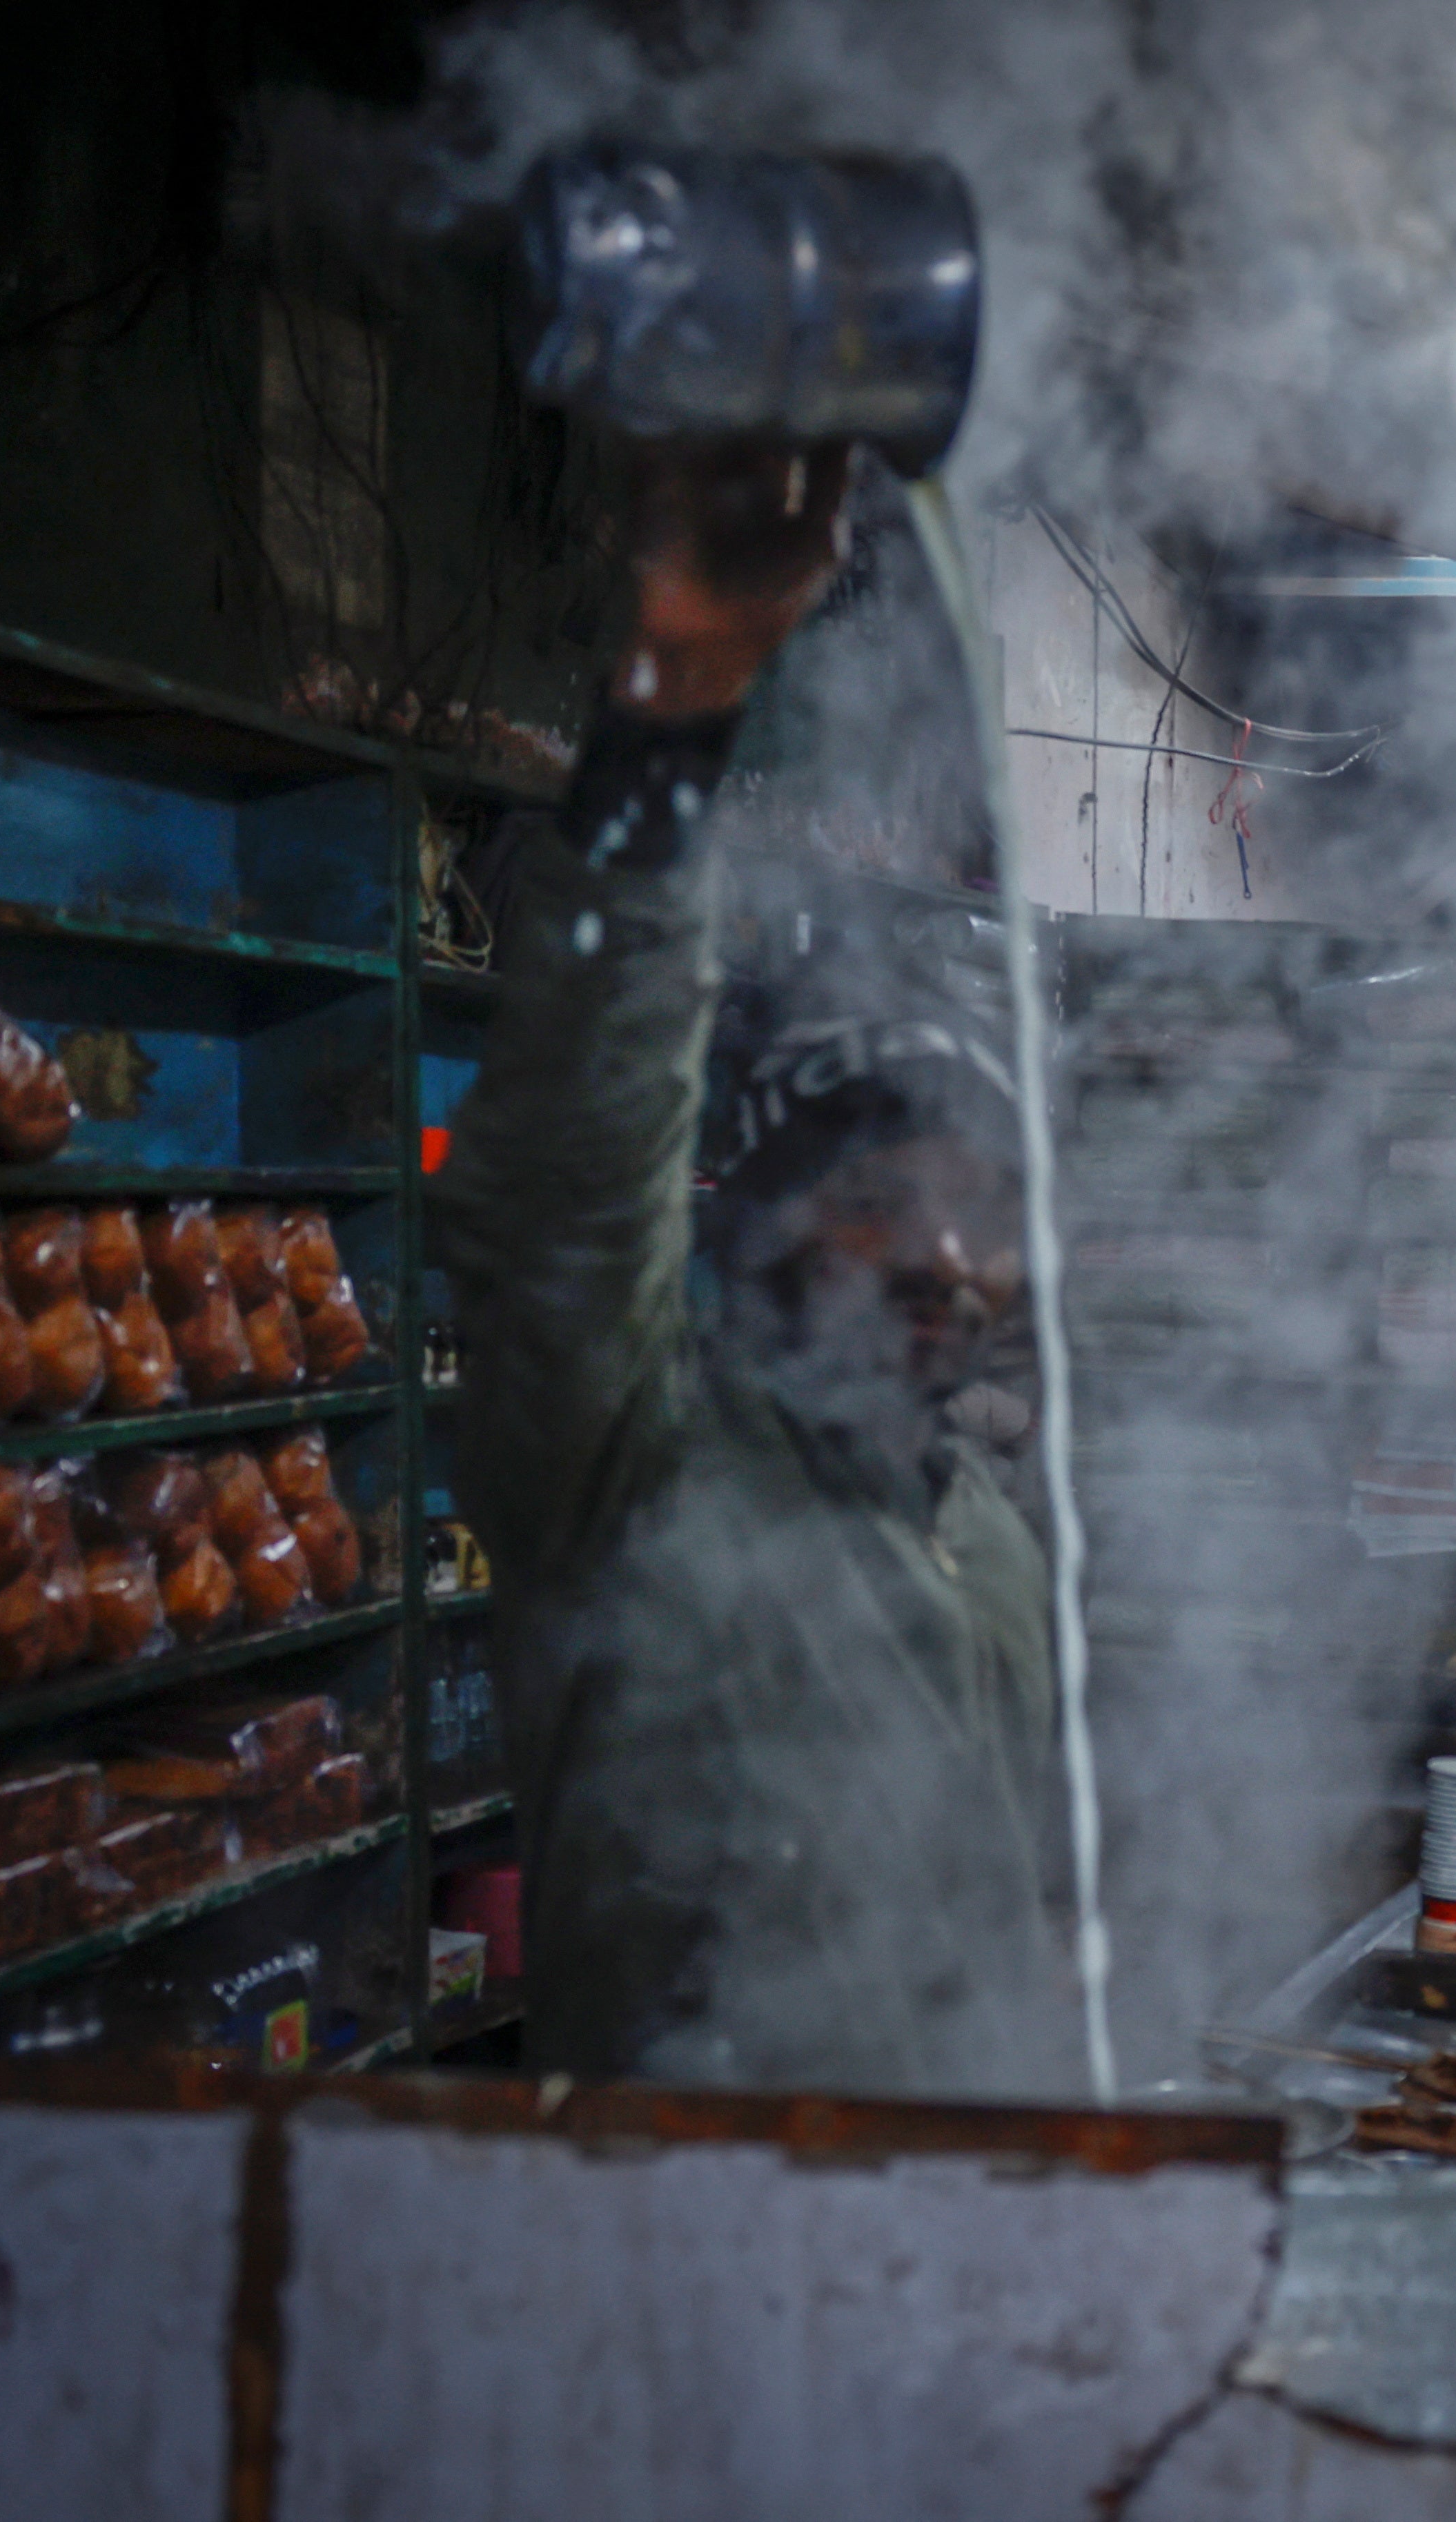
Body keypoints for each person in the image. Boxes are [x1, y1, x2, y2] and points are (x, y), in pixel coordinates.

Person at [430, 448, 1076, 2092]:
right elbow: (564, 1194)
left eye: (981, 1210)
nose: (945, 1258)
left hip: (939, 2283)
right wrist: (669, 715)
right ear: (757, 1220)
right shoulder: (632, 1480)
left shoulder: (981, 1542)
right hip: (667, 2288)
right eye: (878, 1197)